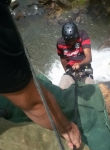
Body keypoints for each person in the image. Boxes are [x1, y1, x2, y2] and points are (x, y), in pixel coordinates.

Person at [0, 1, 81, 149]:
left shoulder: (82, 39)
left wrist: (80, 65)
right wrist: (67, 128)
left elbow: (87, 56)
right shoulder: (61, 43)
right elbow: (32, 101)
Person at [57, 22, 95, 89]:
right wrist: (67, 71)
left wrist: (79, 64)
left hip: (84, 68)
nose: (71, 43)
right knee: (62, 89)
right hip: (71, 70)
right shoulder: (60, 43)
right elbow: (63, 59)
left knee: (90, 88)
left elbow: (89, 57)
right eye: (68, 41)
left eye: (73, 40)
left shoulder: (83, 36)